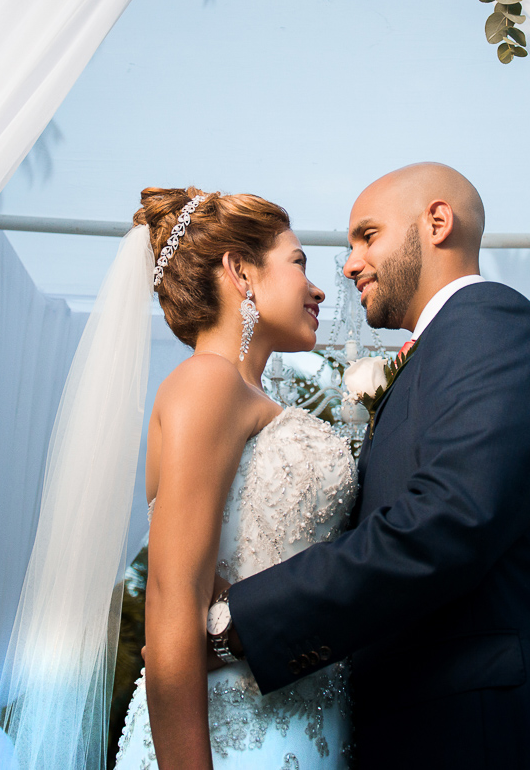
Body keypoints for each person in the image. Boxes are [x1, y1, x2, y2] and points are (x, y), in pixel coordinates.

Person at [216, 163, 530, 768]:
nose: (350, 263)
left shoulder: (492, 327)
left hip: (496, 734)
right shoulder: (448, 347)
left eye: (368, 235)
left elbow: (448, 518)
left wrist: (242, 623)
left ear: (437, 223)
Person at [112, 187, 356, 770]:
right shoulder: (208, 383)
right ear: (240, 271)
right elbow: (174, 598)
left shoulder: (245, 395)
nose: (319, 287)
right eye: (298, 263)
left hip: (308, 725)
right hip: (237, 739)